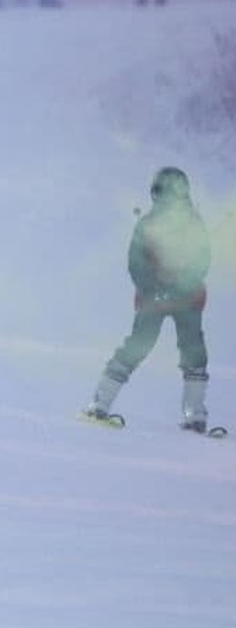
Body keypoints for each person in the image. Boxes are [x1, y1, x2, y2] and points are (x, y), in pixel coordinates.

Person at [82, 167, 214, 433]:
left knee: (193, 350)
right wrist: (153, 289)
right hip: (156, 299)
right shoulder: (148, 224)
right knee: (139, 346)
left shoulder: (191, 223)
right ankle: (100, 403)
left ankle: (195, 415)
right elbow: (136, 263)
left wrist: (180, 287)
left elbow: (202, 259)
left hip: (184, 299)